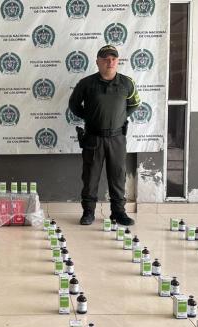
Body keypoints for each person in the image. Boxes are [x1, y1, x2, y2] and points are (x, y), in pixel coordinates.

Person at [68, 44, 141, 226]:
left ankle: (118, 213)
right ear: (98, 62)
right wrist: (90, 116)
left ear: (118, 61)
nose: (110, 62)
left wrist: (121, 117)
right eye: (106, 59)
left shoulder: (127, 83)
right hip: (93, 138)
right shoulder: (86, 84)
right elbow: (74, 105)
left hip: (117, 139)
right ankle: (88, 212)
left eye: (113, 58)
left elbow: (134, 104)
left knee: (118, 177)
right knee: (90, 177)